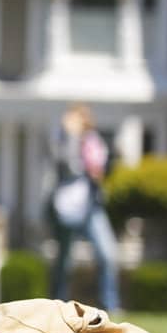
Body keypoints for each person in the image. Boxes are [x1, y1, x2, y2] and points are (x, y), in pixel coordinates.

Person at [47, 104, 120, 313]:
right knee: (64, 261)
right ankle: (57, 304)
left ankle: (110, 304)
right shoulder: (60, 140)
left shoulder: (94, 142)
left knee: (107, 254)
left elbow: (103, 169)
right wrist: (71, 137)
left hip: (90, 205)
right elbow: (68, 167)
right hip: (66, 207)